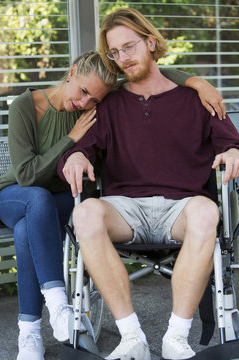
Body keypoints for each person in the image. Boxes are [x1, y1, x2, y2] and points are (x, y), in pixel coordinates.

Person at [57, 8, 239, 360]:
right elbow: (78, 149)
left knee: (206, 210)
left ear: (151, 42)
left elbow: (231, 143)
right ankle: (132, 339)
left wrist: (232, 152)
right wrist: (76, 157)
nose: (123, 58)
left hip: (182, 209)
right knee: (86, 215)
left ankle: (176, 339)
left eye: (129, 47)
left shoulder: (197, 97)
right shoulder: (108, 105)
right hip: (126, 210)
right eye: (115, 52)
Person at [0, 52, 117, 360]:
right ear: (72, 71)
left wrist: (196, 82)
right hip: (16, 194)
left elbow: (148, 70)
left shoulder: (94, 110)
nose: (84, 102)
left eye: (93, 98)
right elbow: (27, 176)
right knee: (36, 199)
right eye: (83, 91)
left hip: (60, 200)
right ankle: (58, 306)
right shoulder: (26, 106)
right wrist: (71, 138)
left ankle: (30, 333)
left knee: (29, 228)